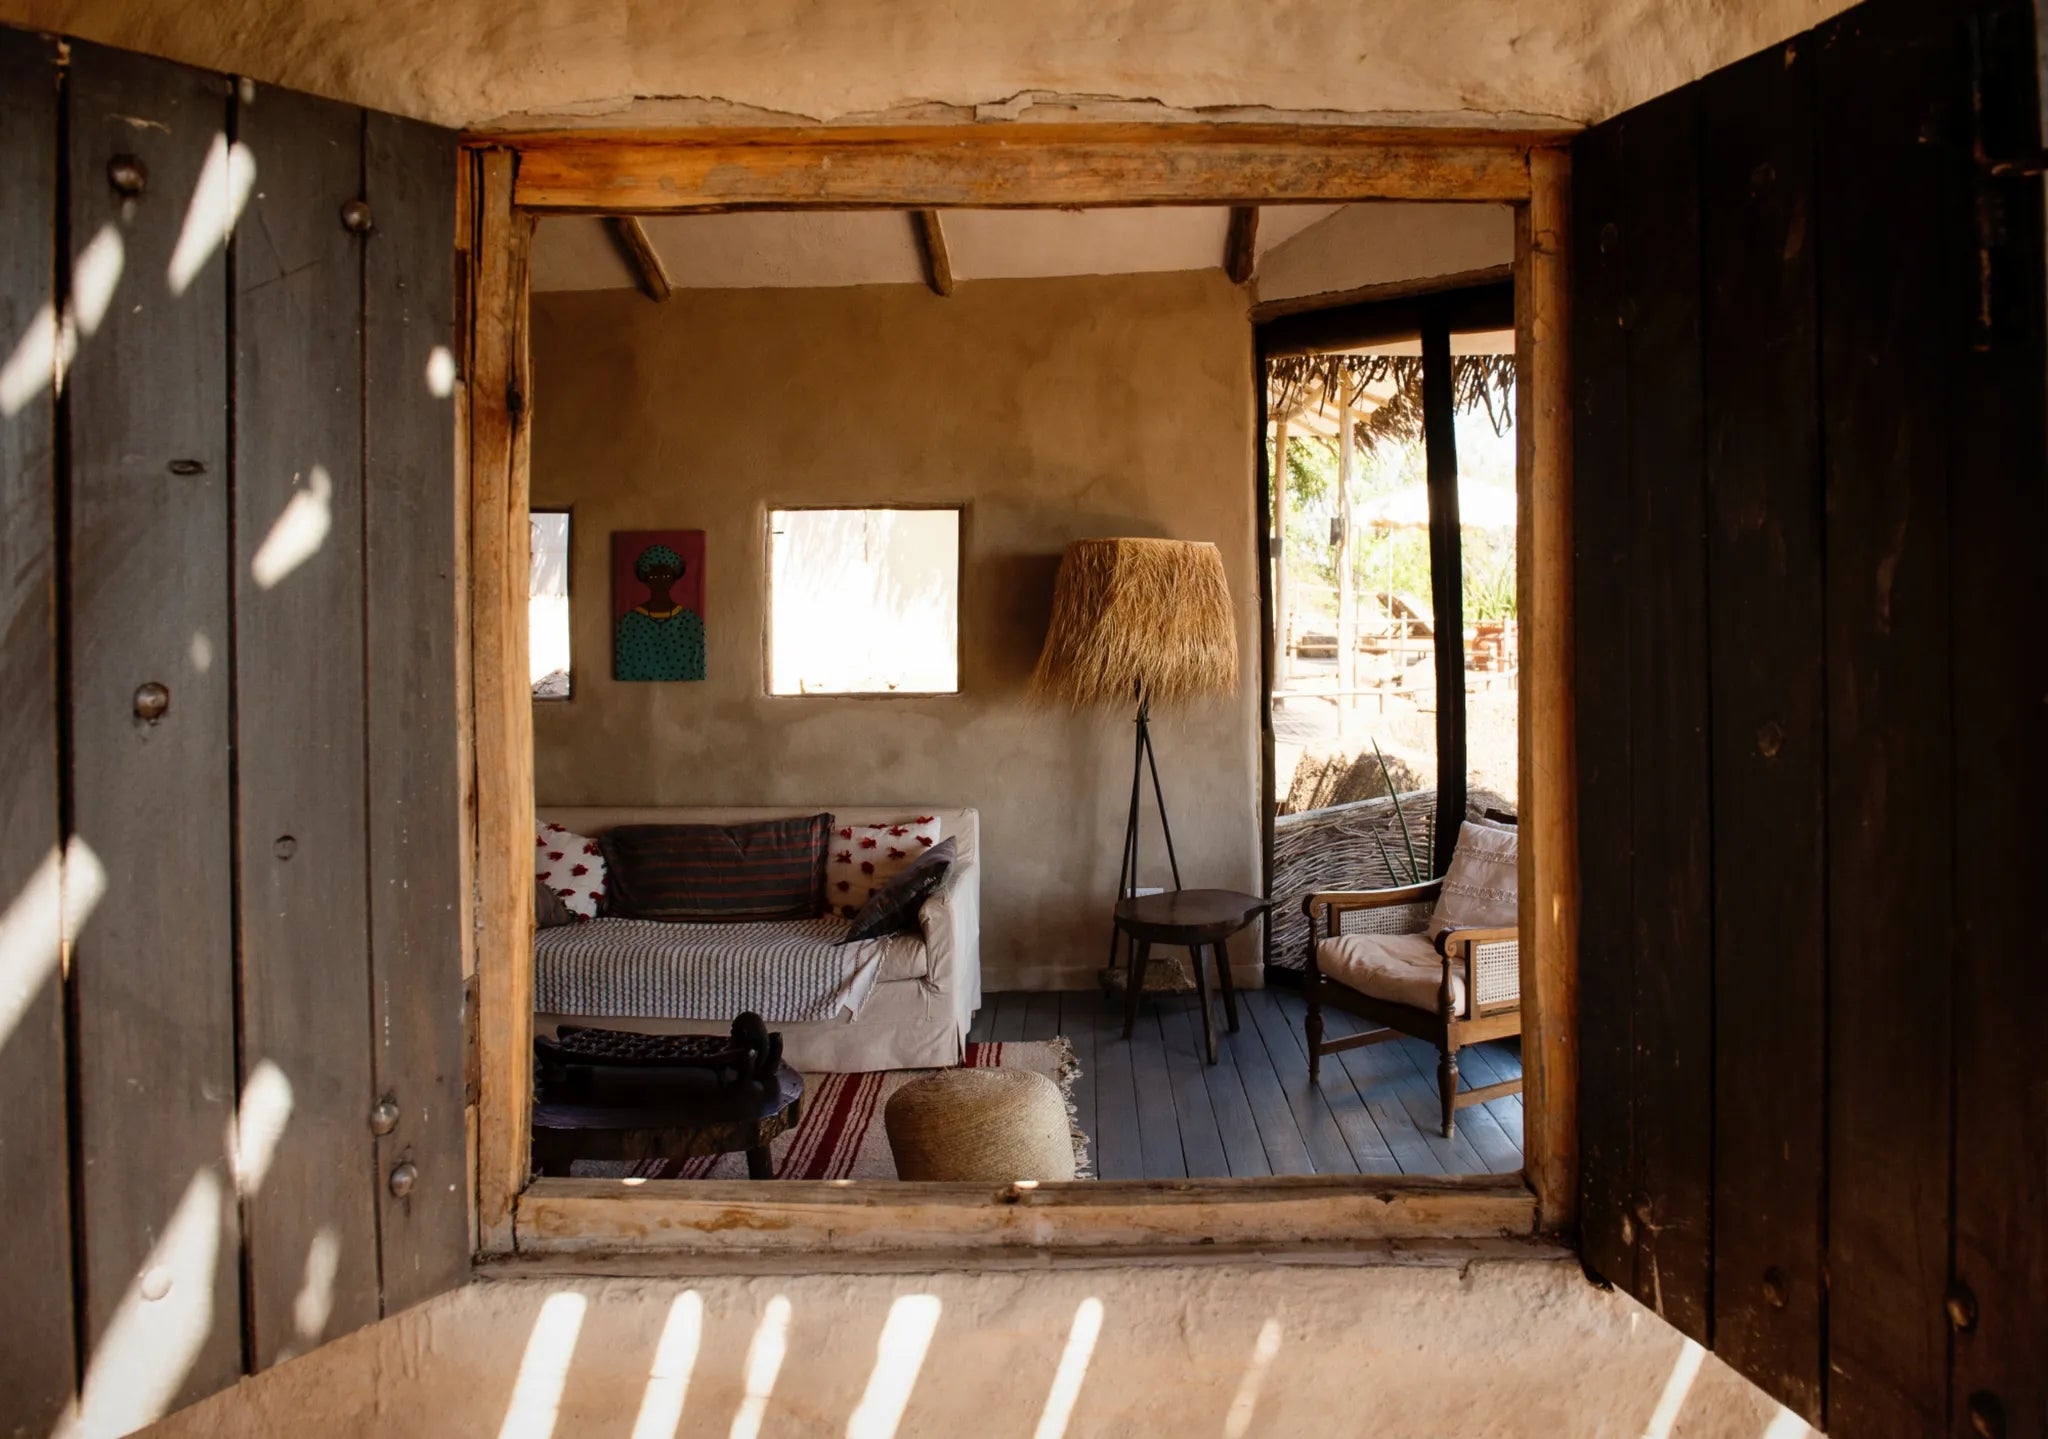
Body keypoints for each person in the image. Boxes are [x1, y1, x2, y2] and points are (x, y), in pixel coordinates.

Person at [614, 543, 705, 681]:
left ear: (674, 577)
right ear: (645, 578)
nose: (661, 582)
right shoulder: (629, 623)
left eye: (666, 576)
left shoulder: (691, 621)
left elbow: (698, 665)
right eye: (654, 577)